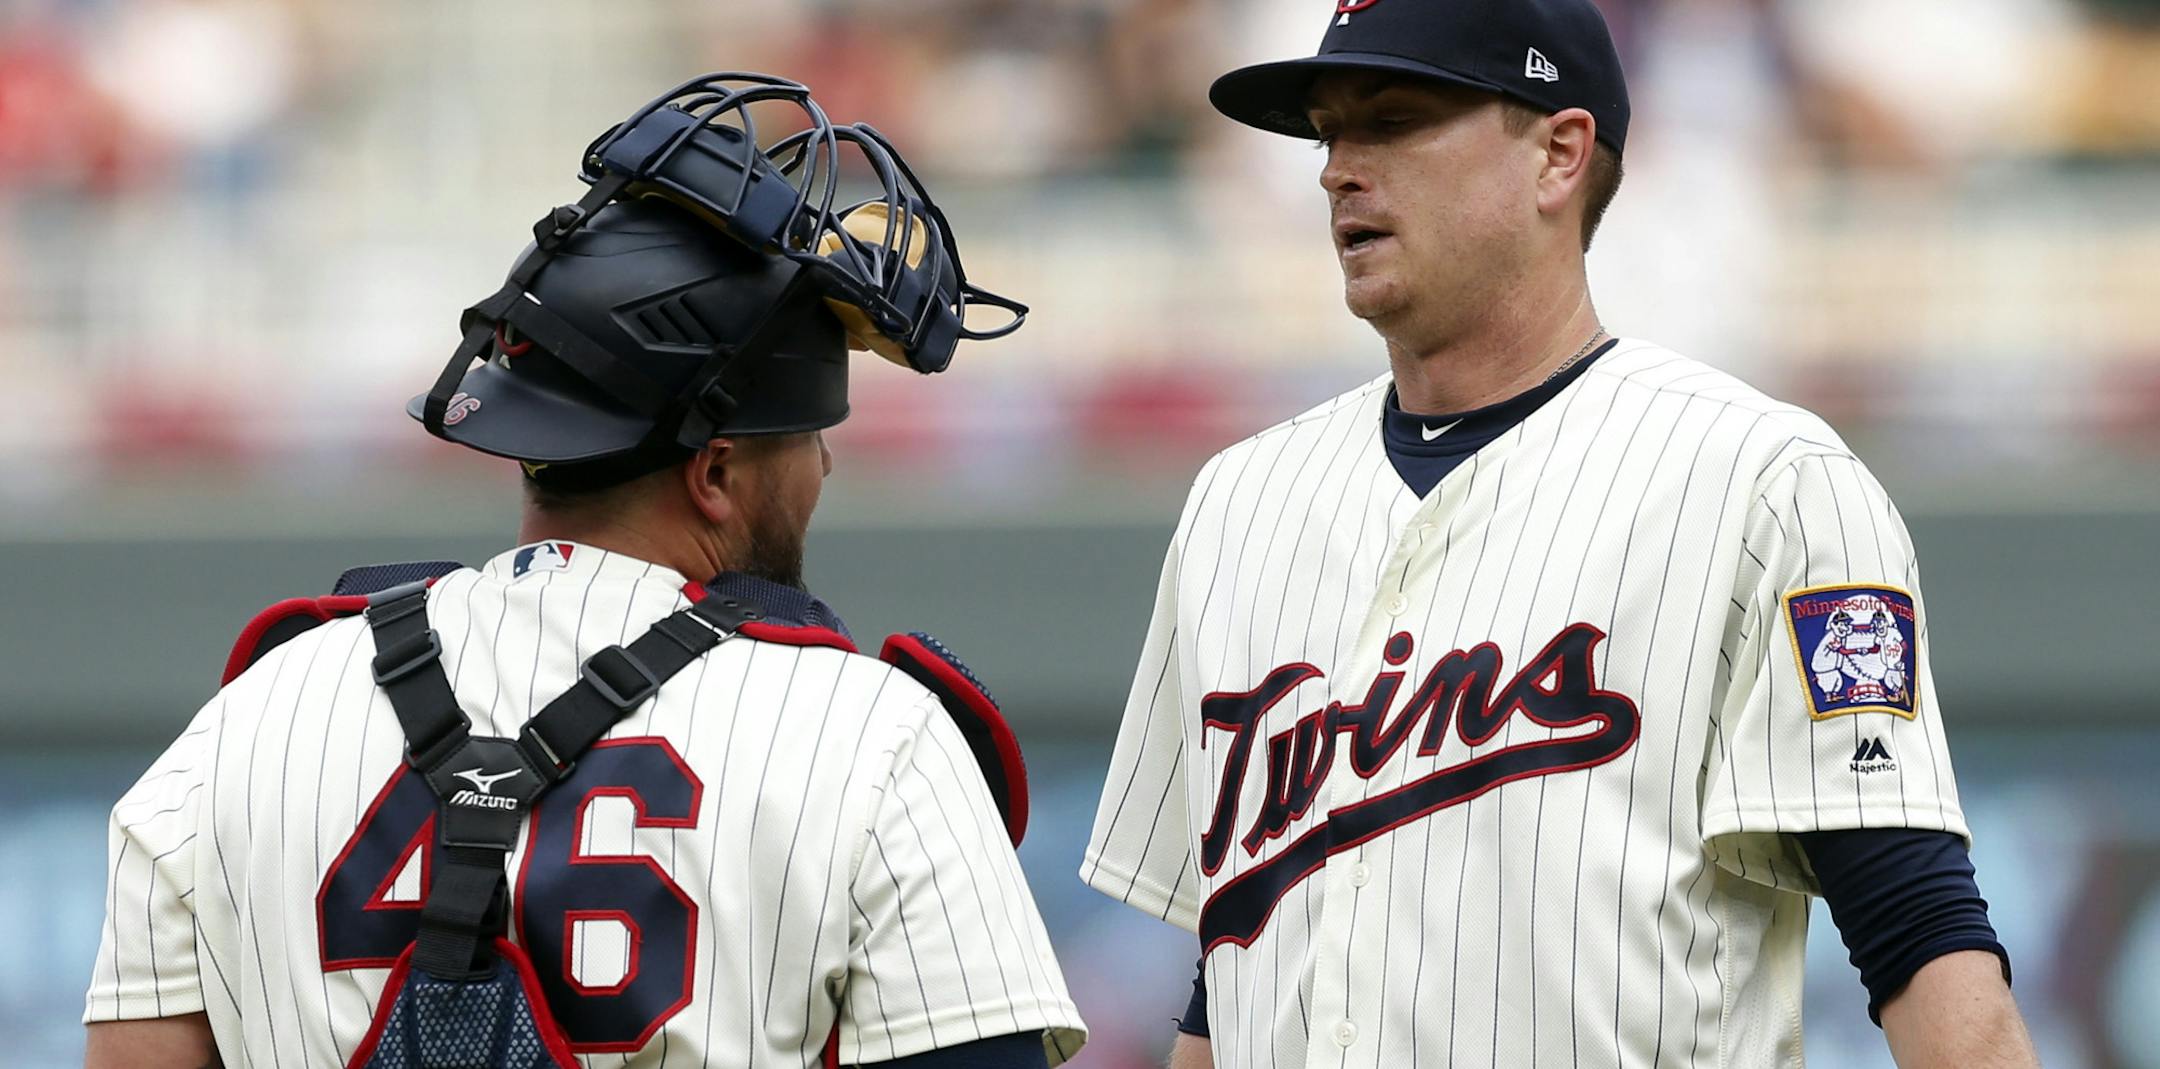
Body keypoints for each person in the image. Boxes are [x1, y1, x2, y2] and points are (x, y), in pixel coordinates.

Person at [1079, 2, 2036, 1066]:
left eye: (1392, 120)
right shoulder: (1236, 505)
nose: (1338, 169)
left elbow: (1924, 942)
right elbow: (1236, 962)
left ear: (1559, 154)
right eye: (1328, 132)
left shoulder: (1764, 483)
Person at [83, 74, 1085, 1069]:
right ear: (718, 470)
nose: (821, 464)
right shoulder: (875, 733)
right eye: (807, 436)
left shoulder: (244, 722)